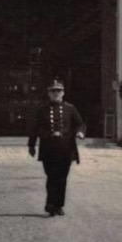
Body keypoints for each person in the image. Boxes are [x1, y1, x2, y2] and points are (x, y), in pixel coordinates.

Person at [27, 79, 84, 216]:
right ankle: (50, 203)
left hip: (66, 149)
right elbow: (34, 128)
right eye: (53, 91)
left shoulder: (70, 108)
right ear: (48, 93)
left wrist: (80, 132)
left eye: (58, 91)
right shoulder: (42, 110)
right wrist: (31, 144)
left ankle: (58, 205)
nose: (56, 93)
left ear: (63, 93)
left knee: (62, 178)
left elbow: (80, 123)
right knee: (51, 176)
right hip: (48, 149)